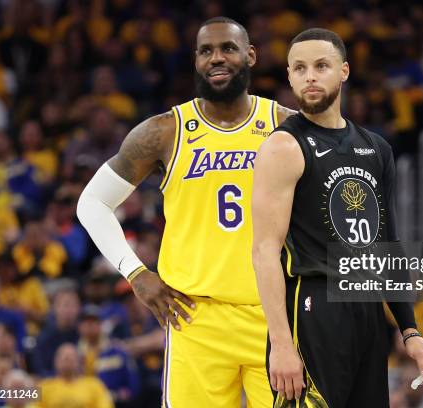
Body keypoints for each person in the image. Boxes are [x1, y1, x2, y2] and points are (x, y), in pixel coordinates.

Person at [77, 16, 295, 408]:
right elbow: (91, 203)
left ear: (251, 55)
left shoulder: (286, 125)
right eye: (206, 51)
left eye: (228, 48)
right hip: (196, 318)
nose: (217, 58)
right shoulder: (165, 131)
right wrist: (136, 272)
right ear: (195, 60)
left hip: (276, 318)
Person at [252, 28, 423, 407]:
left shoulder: (376, 148)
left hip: (368, 310)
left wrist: (409, 330)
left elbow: (388, 244)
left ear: (344, 71)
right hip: (313, 306)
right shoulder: (283, 146)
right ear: (288, 76)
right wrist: (281, 345)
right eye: (299, 68)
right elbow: (264, 250)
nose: (310, 76)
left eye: (321, 66)